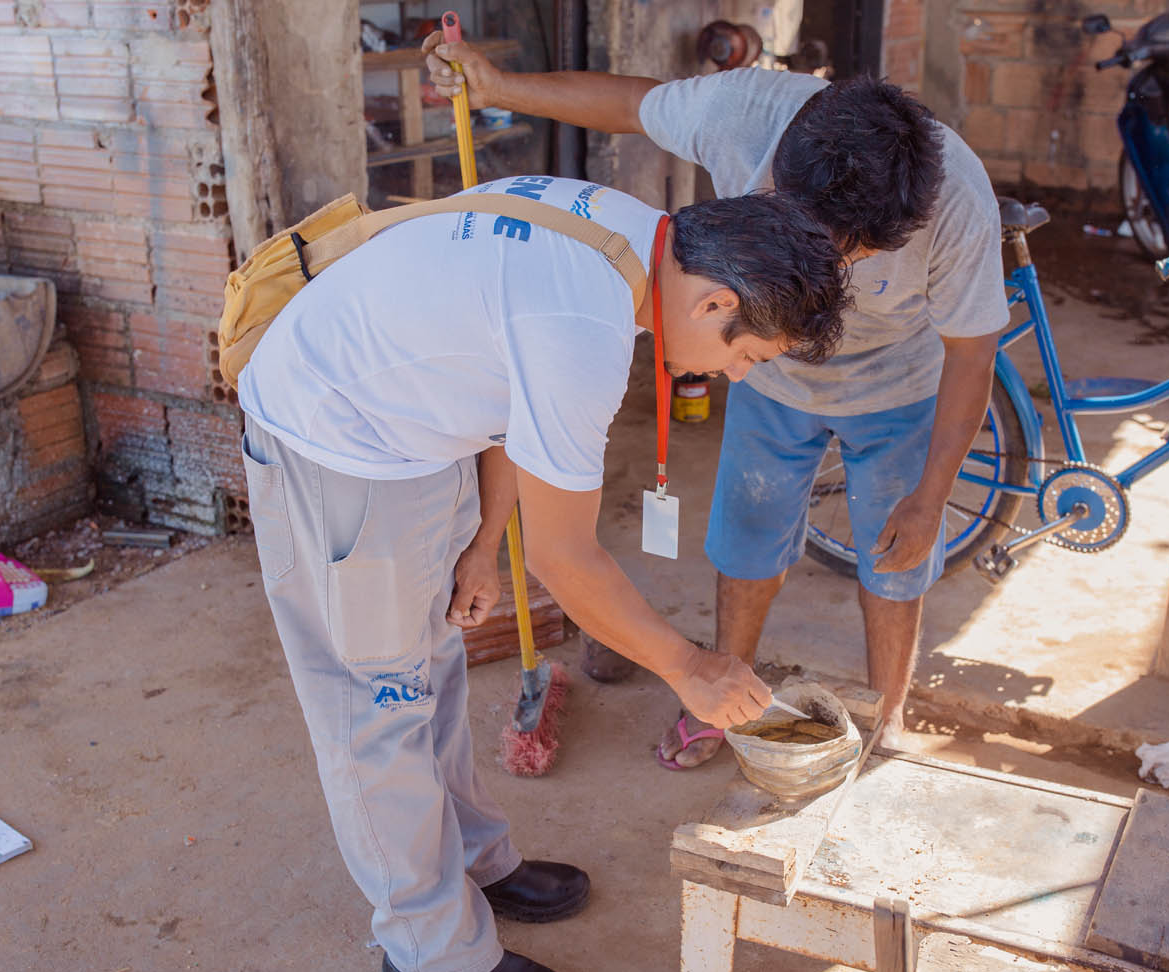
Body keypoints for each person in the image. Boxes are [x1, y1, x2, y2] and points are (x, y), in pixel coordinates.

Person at [236, 175, 850, 972]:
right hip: (337, 446)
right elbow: (569, 559)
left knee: (435, 658)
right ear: (715, 301)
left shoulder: (629, 226)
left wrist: (483, 541)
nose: (735, 373)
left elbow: (497, 388)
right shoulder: (585, 330)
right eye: (748, 354)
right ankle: (428, 944)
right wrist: (690, 668)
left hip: (416, 434)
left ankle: (476, 864)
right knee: (378, 704)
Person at [424, 45, 1009, 766]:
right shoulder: (745, 114)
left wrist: (932, 496)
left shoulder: (957, 203)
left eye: (852, 260)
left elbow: (972, 354)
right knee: (747, 538)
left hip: (895, 385)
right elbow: (629, 104)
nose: (830, 273)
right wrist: (497, 85)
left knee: (896, 555)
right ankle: (720, 696)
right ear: (781, 178)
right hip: (775, 386)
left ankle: (885, 721)